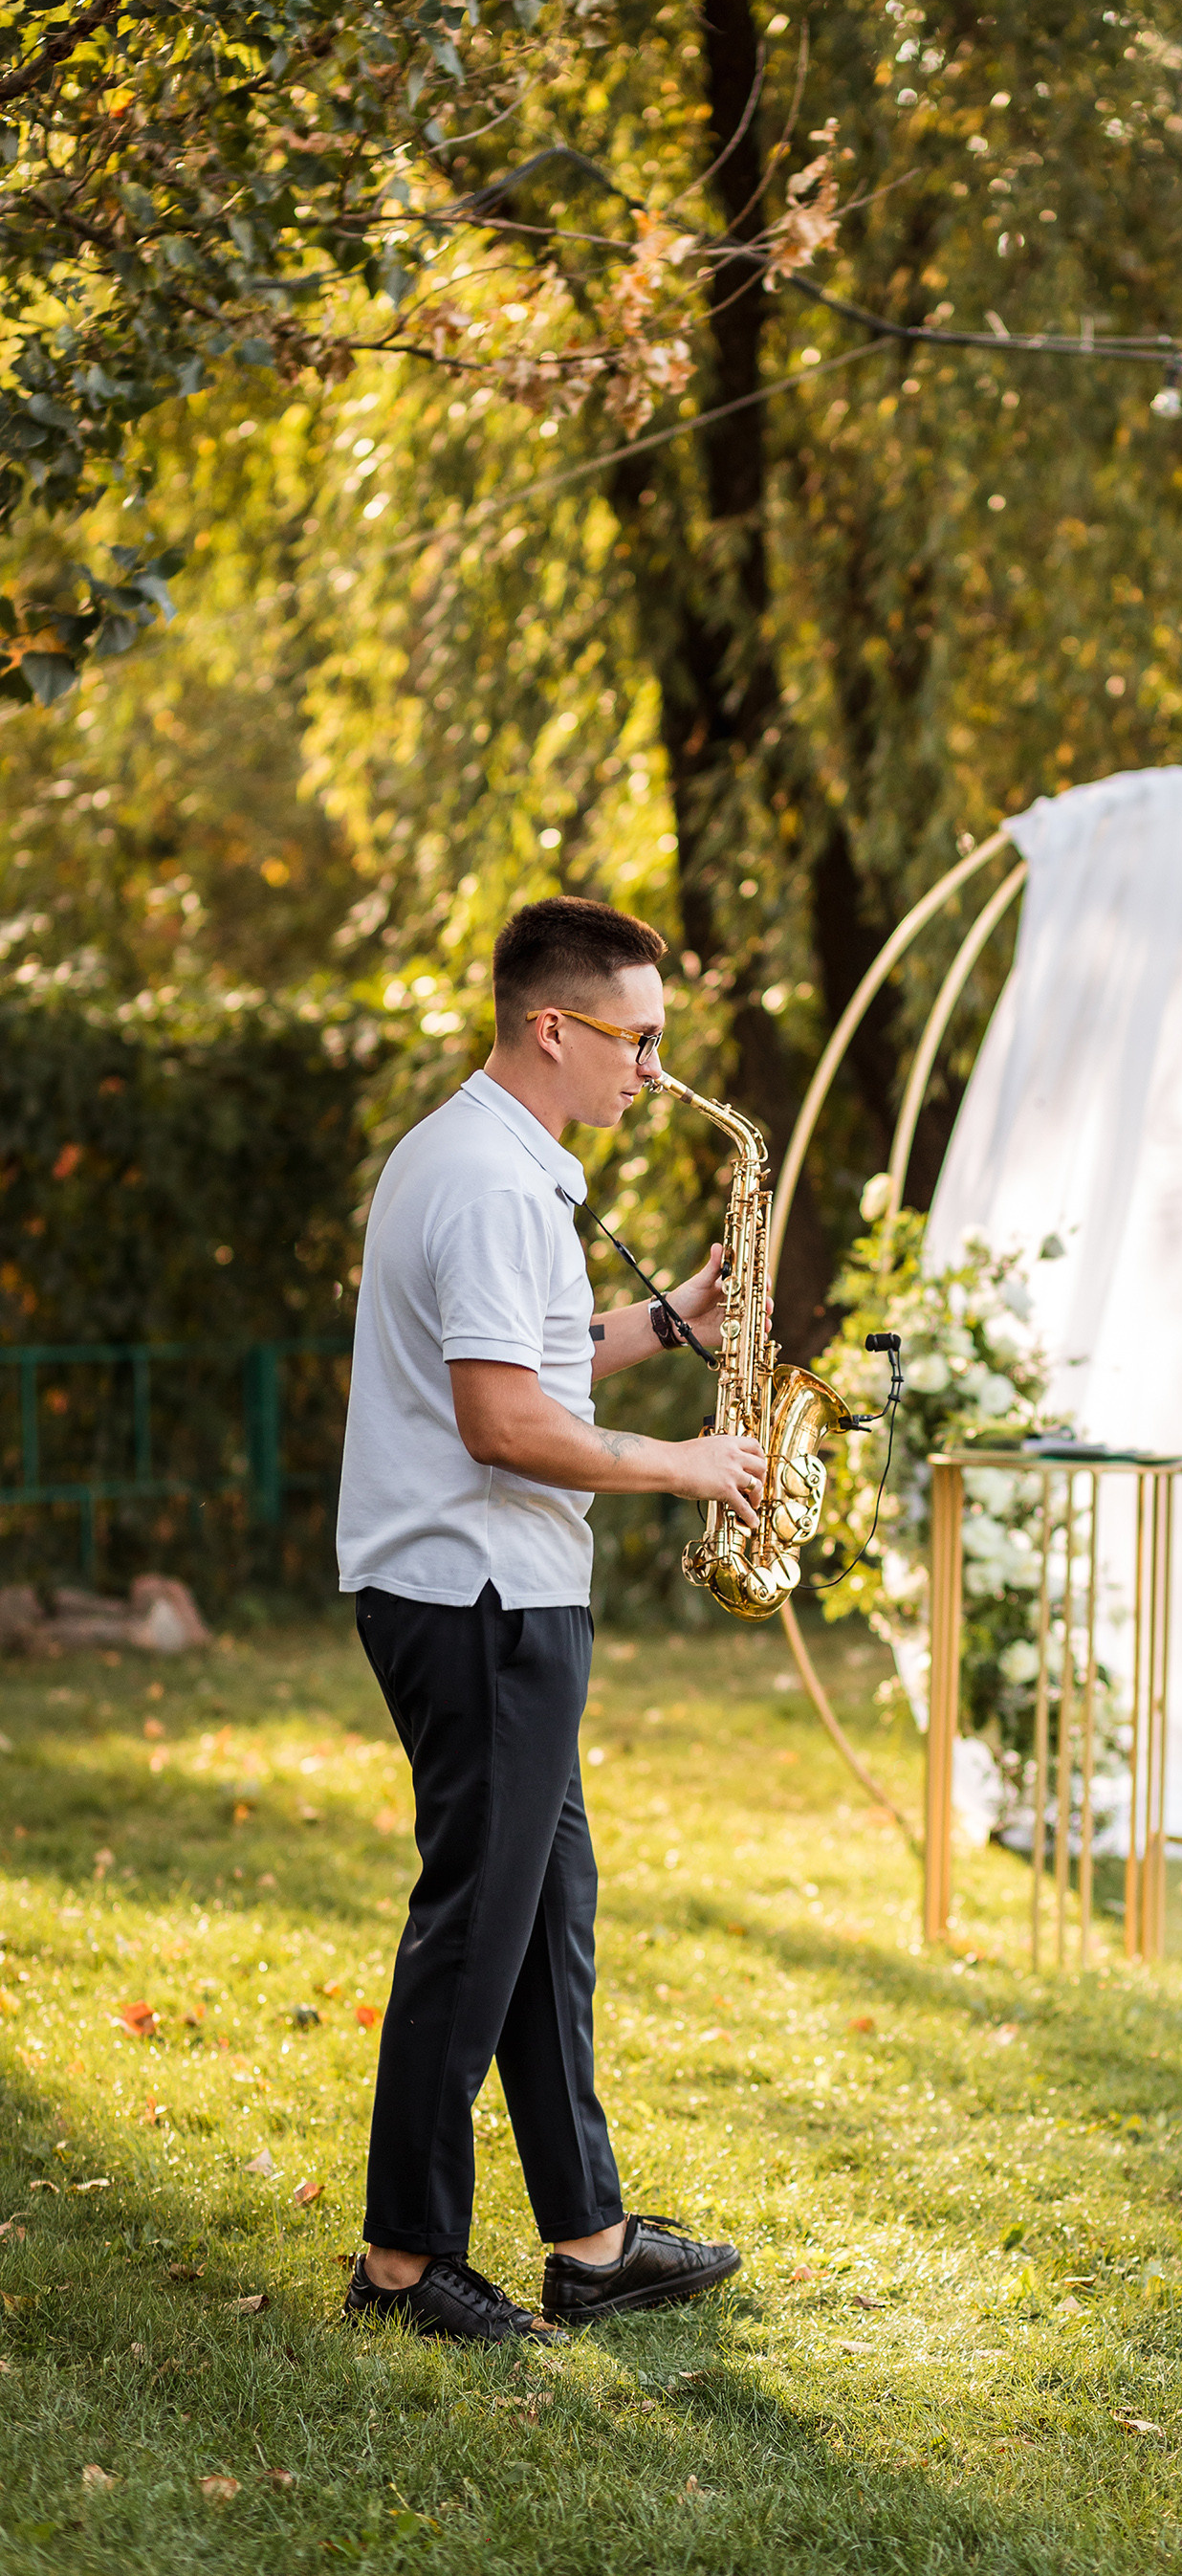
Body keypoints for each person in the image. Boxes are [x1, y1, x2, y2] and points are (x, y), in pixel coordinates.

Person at [335, 895, 765, 2342]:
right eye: (637, 1042)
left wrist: (667, 1324)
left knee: (539, 1921)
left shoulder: (481, 1154)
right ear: (555, 1027)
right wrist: (686, 1464)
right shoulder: (497, 1183)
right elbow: (503, 1420)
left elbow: (528, 1349)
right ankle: (402, 2269)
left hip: (487, 1592)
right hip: (478, 1599)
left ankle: (588, 2243)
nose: (652, 1071)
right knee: (474, 1929)